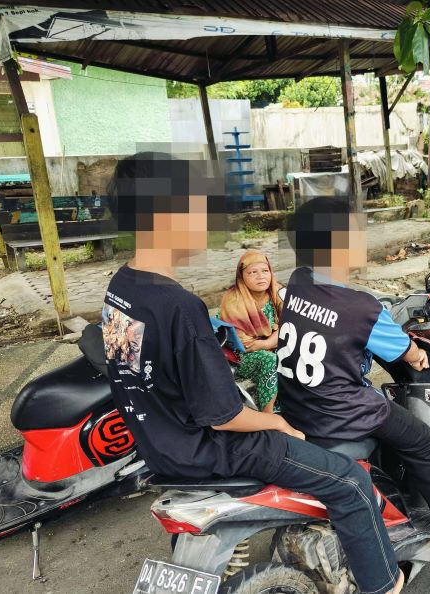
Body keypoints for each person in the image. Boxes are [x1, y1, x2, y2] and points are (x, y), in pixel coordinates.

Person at [100, 153, 402, 594]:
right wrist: (275, 421)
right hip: (211, 449)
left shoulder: (121, 286)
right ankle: (385, 585)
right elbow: (224, 416)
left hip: (160, 446)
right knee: (351, 482)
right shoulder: (180, 307)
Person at [278, 196, 430, 588]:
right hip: (343, 413)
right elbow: (404, 350)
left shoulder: (297, 282)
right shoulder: (362, 308)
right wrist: (415, 357)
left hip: (297, 408)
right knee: (427, 446)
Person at [219, 250, 282, 412]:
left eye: (265, 271)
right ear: (242, 277)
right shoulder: (233, 300)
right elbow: (244, 344)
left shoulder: (277, 292)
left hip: (273, 344)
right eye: (253, 272)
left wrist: (268, 342)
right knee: (269, 359)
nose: (261, 276)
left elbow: (292, 324)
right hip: (241, 356)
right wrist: (272, 341)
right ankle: (268, 413)